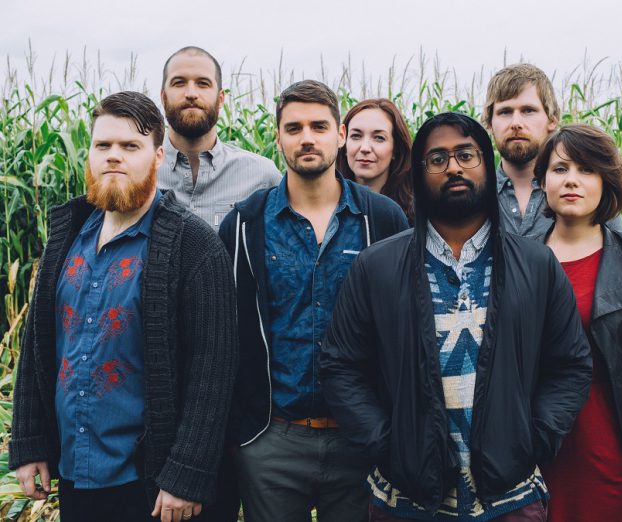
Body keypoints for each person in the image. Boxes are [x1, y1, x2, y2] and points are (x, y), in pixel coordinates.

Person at [320, 112, 592, 521]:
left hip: (511, 500)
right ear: (418, 174)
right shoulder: (376, 266)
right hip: (406, 501)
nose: (453, 167)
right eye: (437, 159)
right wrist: (387, 444)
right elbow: (341, 366)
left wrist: (532, 439)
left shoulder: (536, 265)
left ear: (486, 163)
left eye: (467, 155)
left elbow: (570, 365)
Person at [10, 91, 236, 522]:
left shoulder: (193, 247)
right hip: (76, 474)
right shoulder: (66, 238)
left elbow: (214, 371)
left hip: (152, 487)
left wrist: (185, 475)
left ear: (157, 154)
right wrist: (29, 441)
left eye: (130, 146)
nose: (114, 156)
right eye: (103, 146)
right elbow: (39, 344)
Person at [218, 79, 409, 522]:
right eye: (294, 127)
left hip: (360, 438)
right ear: (278, 136)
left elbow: (405, 325)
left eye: (319, 126)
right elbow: (226, 332)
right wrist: (243, 433)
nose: (307, 138)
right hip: (272, 440)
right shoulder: (245, 224)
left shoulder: (381, 219)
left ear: (339, 135)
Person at [533, 124, 622, 522]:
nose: (572, 180)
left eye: (587, 169)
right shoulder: (520, 260)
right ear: (543, 180)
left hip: (616, 450)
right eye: (560, 169)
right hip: (537, 454)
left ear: (606, 180)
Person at [483, 63, 622, 237]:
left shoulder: (585, 193)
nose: (516, 123)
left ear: (552, 119)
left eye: (528, 110)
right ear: (490, 123)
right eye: (505, 112)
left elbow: (620, 258)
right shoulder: (474, 194)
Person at [158, 46, 281, 229]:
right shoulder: (137, 174)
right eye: (179, 83)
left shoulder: (263, 176)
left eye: (203, 83)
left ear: (221, 98)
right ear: (163, 97)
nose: (191, 93)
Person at [337, 98, 414, 221]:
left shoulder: (417, 214)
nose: (365, 148)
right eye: (356, 136)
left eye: (379, 138)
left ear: (396, 149)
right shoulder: (327, 211)